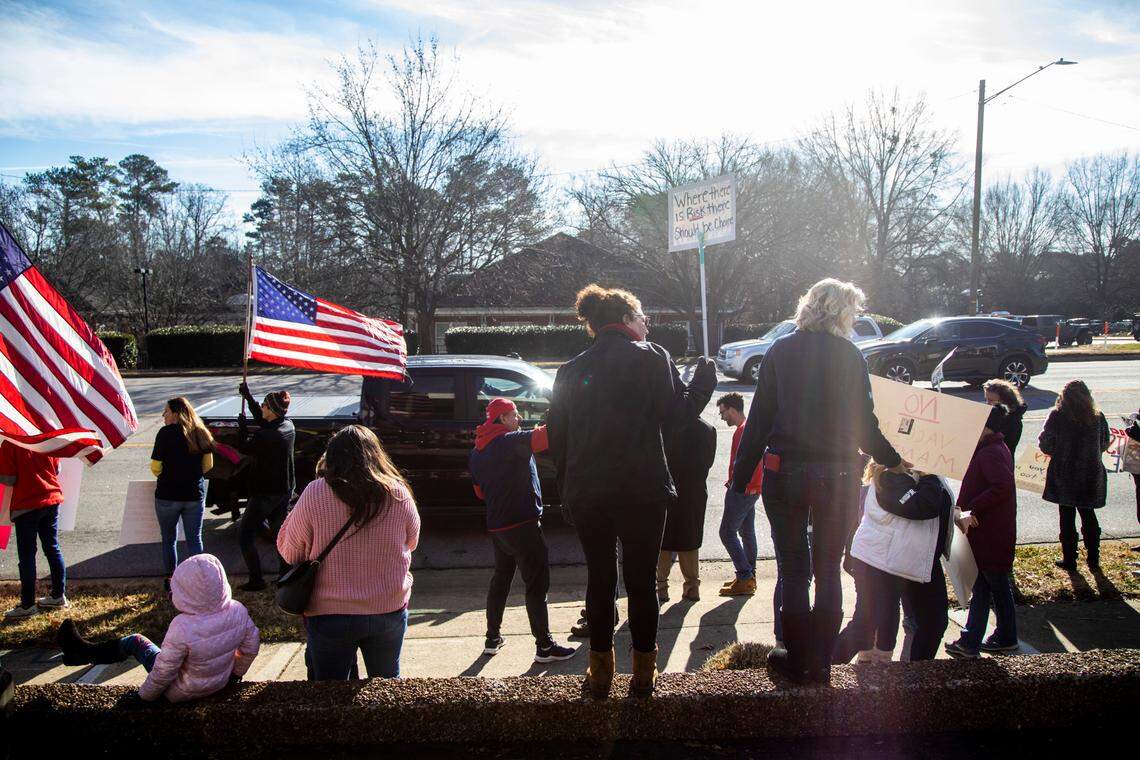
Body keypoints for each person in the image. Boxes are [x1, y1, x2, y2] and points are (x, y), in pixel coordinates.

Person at [730, 278, 907, 685]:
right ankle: (821, 661)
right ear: (843, 313)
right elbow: (865, 423)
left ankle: (793, 656)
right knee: (828, 569)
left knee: (793, 570)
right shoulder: (849, 355)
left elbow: (758, 421)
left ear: (808, 306)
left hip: (785, 471)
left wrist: (742, 477)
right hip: (840, 472)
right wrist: (893, 460)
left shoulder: (780, 350)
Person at [548, 284, 715, 699]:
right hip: (643, 489)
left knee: (600, 580)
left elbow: (556, 439)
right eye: (643, 318)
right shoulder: (652, 357)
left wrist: (568, 488)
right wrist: (704, 382)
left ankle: (600, 672)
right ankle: (643, 674)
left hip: (588, 492)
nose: (647, 325)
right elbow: (677, 417)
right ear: (626, 320)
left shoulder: (569, 370)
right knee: (641, 583)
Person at [277, 425, 420, 680]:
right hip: (387, 606)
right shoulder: (399, 493)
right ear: (376, 455)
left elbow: (290, 553)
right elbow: (412, 542)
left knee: (330, 695)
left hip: (329, 613)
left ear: (331, 457)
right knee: (387, 689)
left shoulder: (315, 492)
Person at [56, 553, 259, 702]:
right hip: (219, 683)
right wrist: (234, 676)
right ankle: (78, 654)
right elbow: (251, 647)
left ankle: (82, 652)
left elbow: (164, 670)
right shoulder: (238, 611)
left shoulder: (183, 627)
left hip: (179, 691)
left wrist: (143, 697)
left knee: (134, 641)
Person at [469, 397, 575, 663]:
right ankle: (545, 646)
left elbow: (479, 492)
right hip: (523, 525)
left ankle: (492, 638)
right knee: (537, 585)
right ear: (502, 419)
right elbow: (546, 437)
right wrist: (562, 412)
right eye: (515, 415)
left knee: (501, 580)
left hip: (497, 526)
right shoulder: (509, 441)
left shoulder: (477, 451)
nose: (519, 419)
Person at [840, 463, 960, 663]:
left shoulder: (921, 474)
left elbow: (934, 503)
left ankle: (915, 678)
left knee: (934, 623)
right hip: (882, 562)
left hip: (917, 559)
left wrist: (954, 514)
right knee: (865, 626)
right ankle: (822, 671)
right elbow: (923, 505)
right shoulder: (890, 475)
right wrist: (931, 474)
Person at [945, 404, 1019, 659]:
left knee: (988, 587)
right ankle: (990, 637)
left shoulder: (990, 453)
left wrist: (971, 509)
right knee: (991, 587)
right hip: (993, 532)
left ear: (986, 427)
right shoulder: (995, 448)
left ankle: (975, 640)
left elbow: (1003, 486)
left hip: (989, 533)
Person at [1038, 380, 1111, 571]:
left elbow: (1045, 444)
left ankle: (1070, 559)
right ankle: (1093, 557)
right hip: (1090, 472)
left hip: (1065, 473)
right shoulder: (1097, 416)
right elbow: (1105, 442)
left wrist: (1058, 452)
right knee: (1088, 513)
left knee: (1067, 515)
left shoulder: (1057, 416)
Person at [237, 381, 296, 591]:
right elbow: (265, 422)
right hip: (284, 490)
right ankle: (285, 576)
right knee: (280, 534)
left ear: (270, 410)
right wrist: (249, 398)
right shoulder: (288, 426)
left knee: (245, 534)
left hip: (265, 493)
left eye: (263, 405)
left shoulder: (266, 436)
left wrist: (242, 431)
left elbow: (245, 448)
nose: (261, 408)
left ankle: (256, 579)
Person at [151, 397, 214, 586]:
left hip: (167, 495)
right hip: (194, 495)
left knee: (169, 539)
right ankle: (199, 579)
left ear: (176, 414)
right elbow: (208, 465)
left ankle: (172, 579)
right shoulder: (201, 433)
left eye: (166, 412)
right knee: (194, 539)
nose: (164, 415)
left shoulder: (164, 434)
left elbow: (155, 467)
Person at [1, 445, 68, 619]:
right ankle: (58, 596)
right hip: (51, 499)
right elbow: (57, 468)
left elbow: (8, 479)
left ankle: (28, 604)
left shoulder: (10, 444)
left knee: (27, 556)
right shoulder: (44, 436)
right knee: (53, 548)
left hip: (26, 505)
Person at [658, 408, 717, 603]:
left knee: (664, 541)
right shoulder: (708, 430)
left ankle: (661, 588)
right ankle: (692, 587)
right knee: (690, 540)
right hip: (694, 491)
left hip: (668, 490)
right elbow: (708, 463)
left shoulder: (664, 426)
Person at [716, 392, 764, 598]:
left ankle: (745, 576)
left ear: (733, 410)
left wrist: (737, 485)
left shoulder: (742, 432)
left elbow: (744, 464)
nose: (721, 416)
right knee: (746, 532)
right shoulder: (748, 429)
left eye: (723, 412)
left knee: (726, 532)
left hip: (742, 490)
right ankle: (748, 576)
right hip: (751, 489)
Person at [983, 379, 1028, 455]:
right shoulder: (994, 416)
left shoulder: (1012, 422)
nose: (987, 404)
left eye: (991, 400)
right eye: (986, 400)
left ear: (1004, 401)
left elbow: (1004, 447)